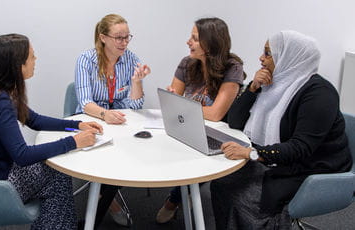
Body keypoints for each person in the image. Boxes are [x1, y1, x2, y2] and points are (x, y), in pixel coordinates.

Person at [0, 34, 117, 230]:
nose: (35, 61)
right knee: (57, 174)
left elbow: (34, 120)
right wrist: (74, 142)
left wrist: (77, 124)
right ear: (18, 64)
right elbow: (22, 155)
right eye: (32, 57)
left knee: (51, 169)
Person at [210, 30, 352, 229]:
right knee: (221, 183)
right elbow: (234, 121)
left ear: (289, 57)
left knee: (242, 198)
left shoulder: (320, 94)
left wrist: (252, 153)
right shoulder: (273, 84)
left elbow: (300, 148)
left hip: (311, 167)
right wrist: (252, 88)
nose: (261, 58)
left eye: (268, 53)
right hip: (278, 159)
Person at [156, 17, 245, 224]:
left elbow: (216, 114)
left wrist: (182, 105)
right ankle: (181, 195)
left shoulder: (233, 67)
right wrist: (176, 101)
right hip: (187, 124)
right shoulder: (187, 63)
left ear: (210, 43)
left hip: (218, 131)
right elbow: (173, 102)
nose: (188, 42)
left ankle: (174, 200)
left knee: (198, 157)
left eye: (194, 38)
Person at [74, 14, 150, 226]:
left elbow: (135, 105)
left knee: (132, 155)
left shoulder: (132, 59)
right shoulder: (86, 60)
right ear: (103, 37)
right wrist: (105, 114)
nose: (124, 42)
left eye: (127, 37)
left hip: (119, 122)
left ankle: (99, 201)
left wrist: (136, 83)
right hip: (90, 120)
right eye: (118, 37)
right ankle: (107, 204)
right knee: (107, 157)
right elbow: (85, 102)